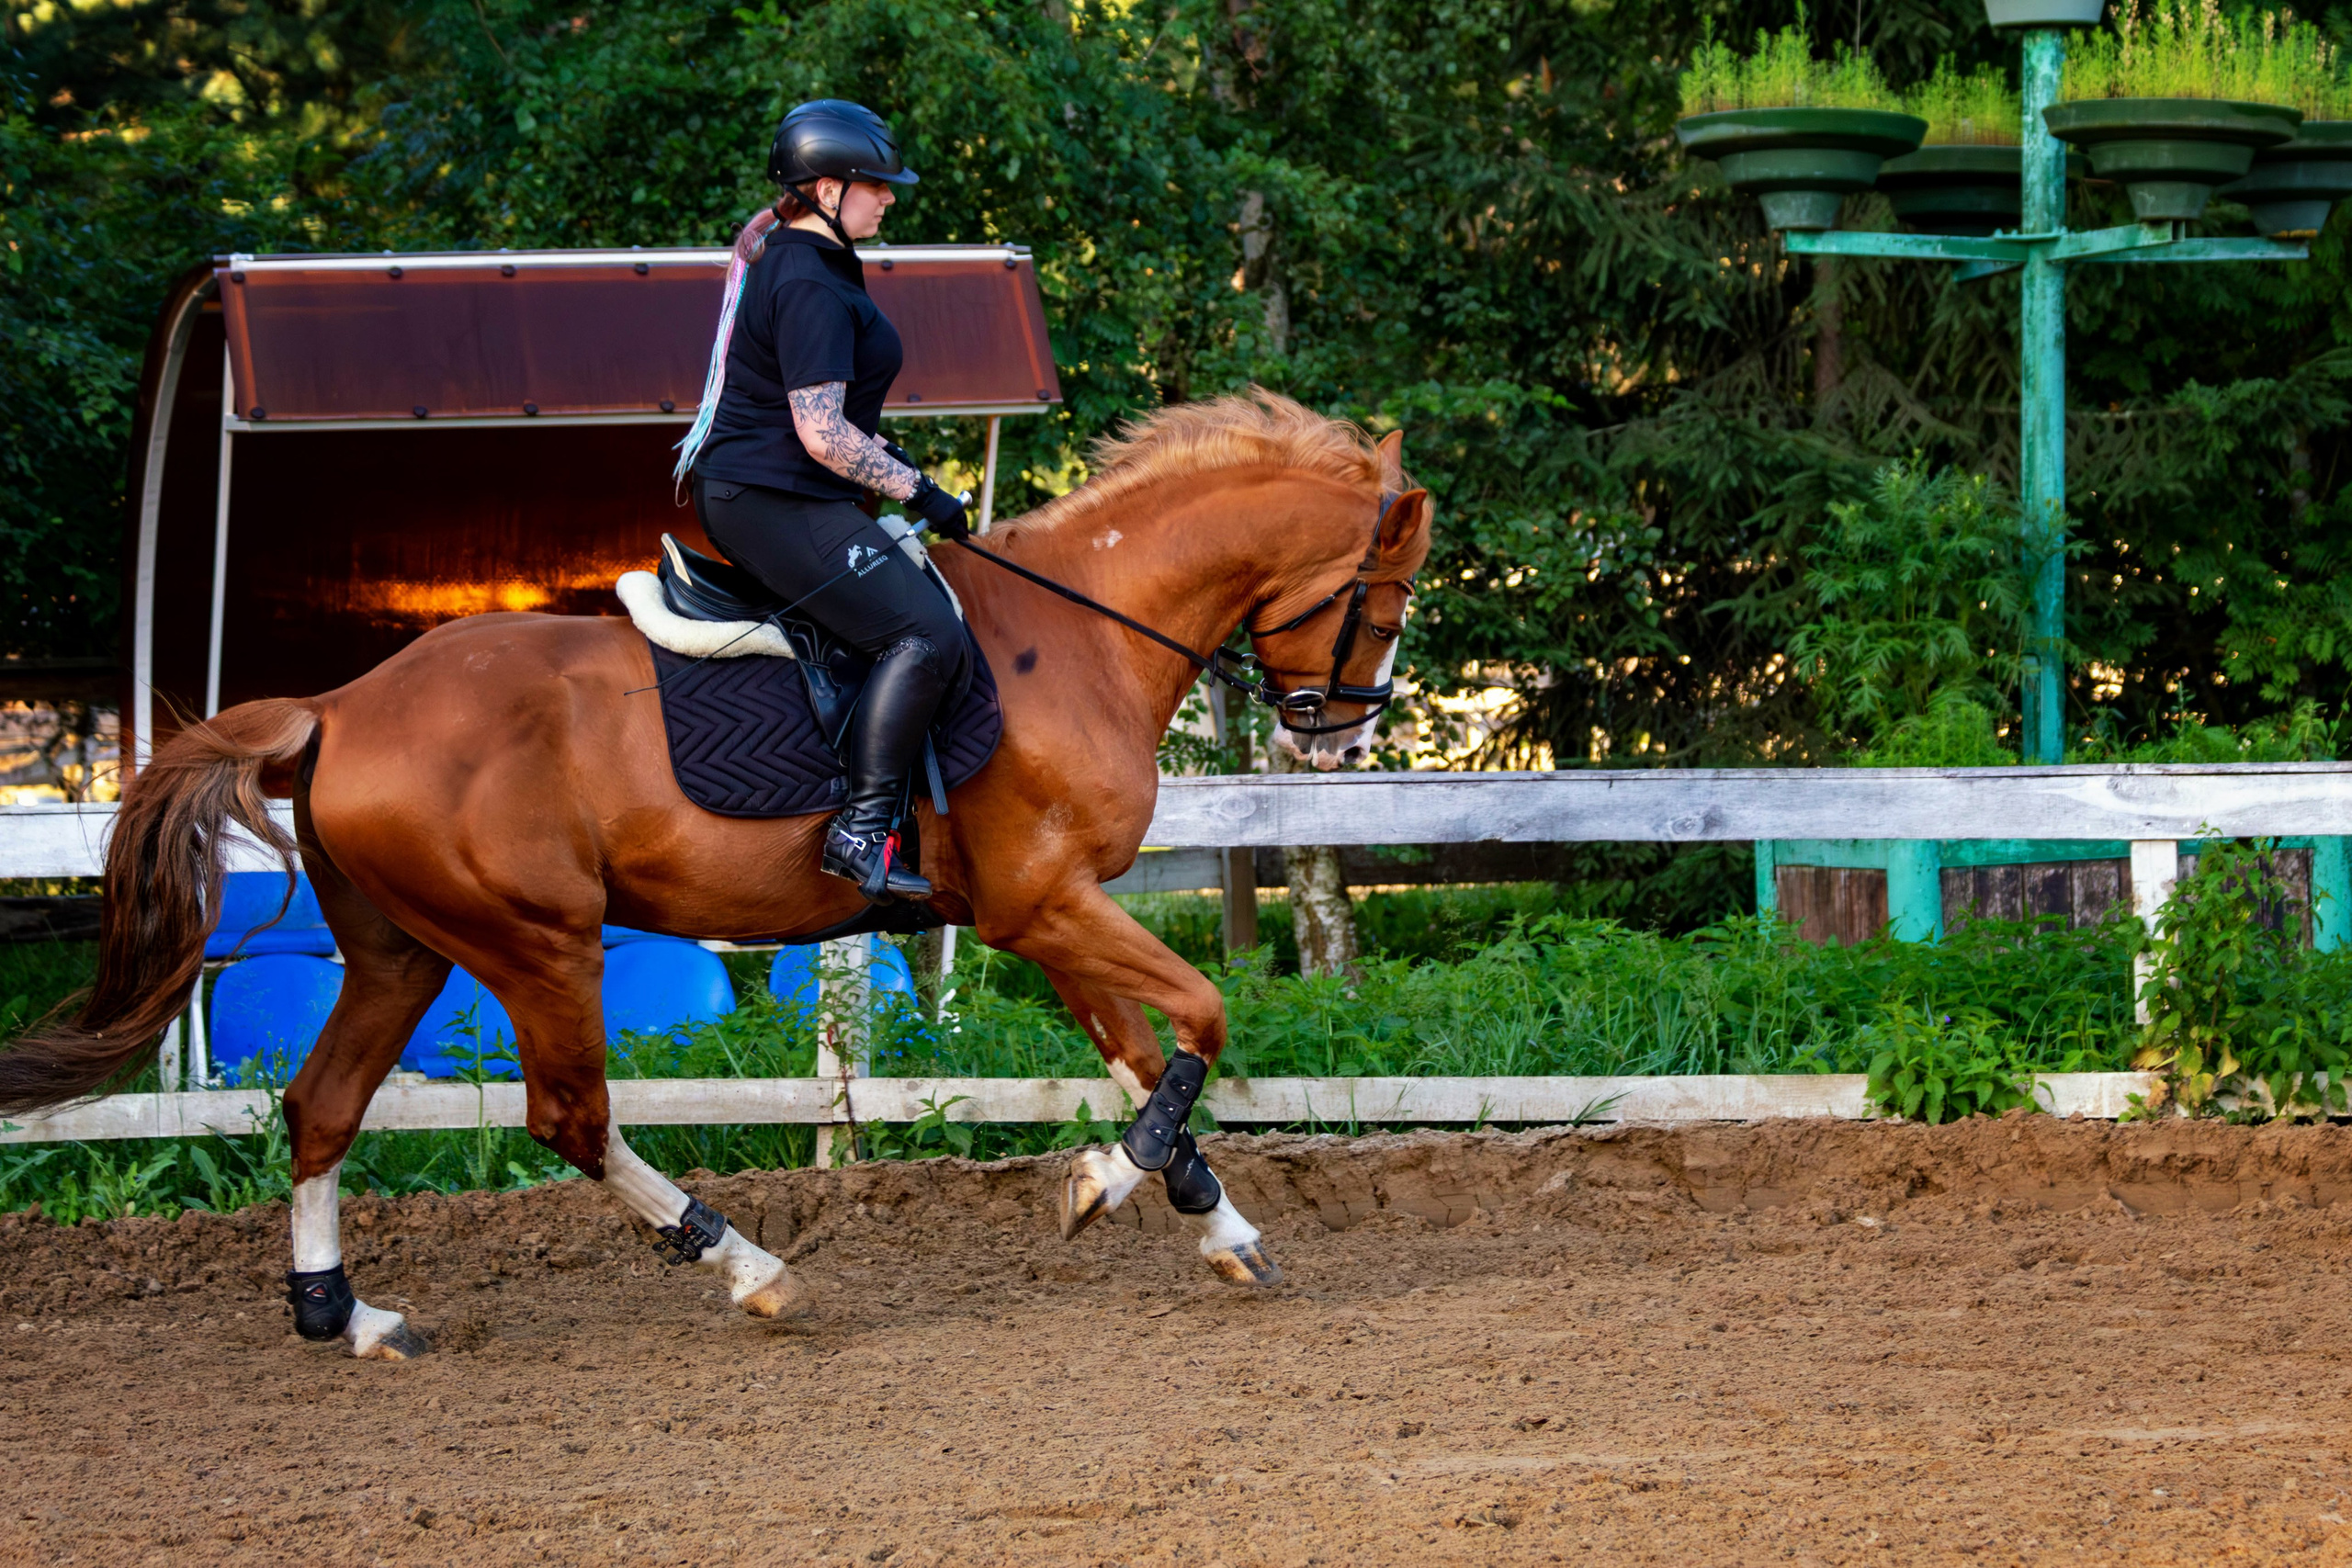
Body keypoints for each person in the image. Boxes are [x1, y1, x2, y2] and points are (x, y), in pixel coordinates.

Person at [674, 99, 971, 904]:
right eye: (878, 184)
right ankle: (861, 830)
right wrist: (923, 491)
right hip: (772, 498)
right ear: (830, 190)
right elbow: (821, 432)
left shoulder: (816, 264)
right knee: (926, 632)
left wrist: (889, 461)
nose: (891, 198)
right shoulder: (808, 278)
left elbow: (830, 421)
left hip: (784, 492)